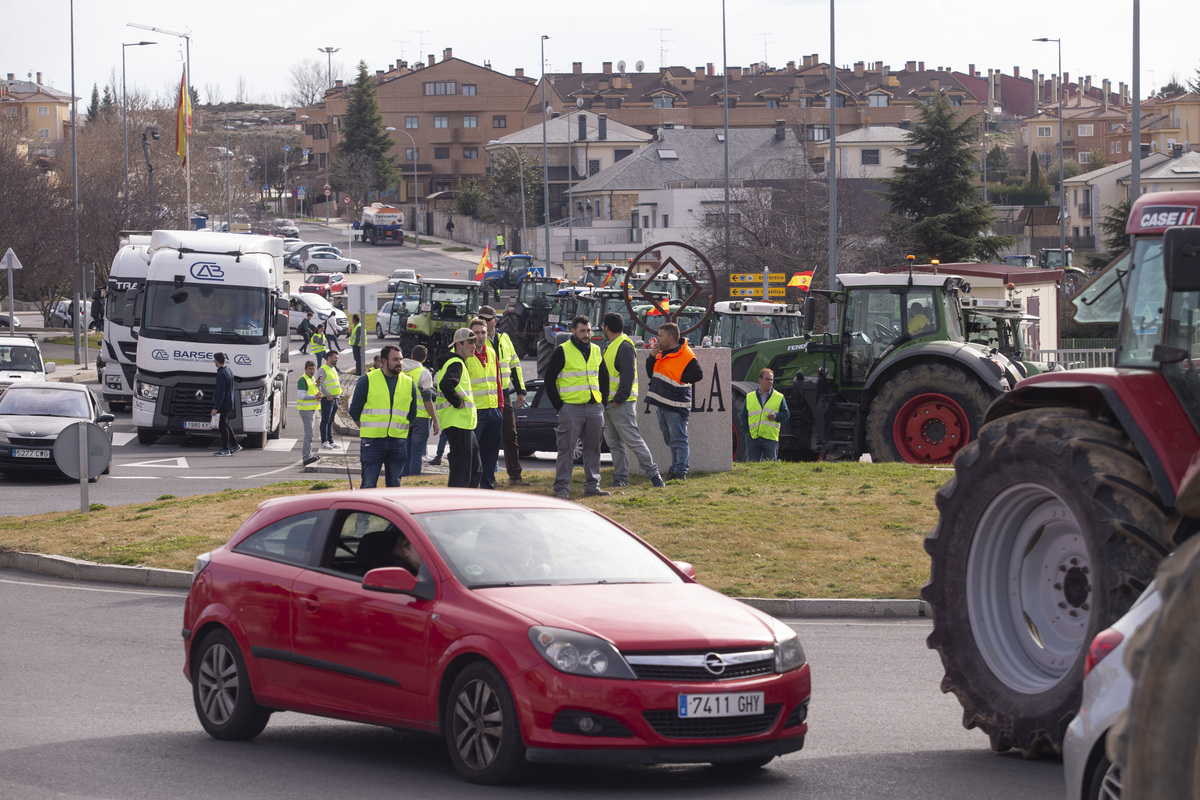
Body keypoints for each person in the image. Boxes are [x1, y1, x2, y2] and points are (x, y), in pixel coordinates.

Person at [543, 315, 608, 499]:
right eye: (582, 331)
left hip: (594, 406)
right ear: (573, 331)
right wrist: (559, 406)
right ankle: (562, 488)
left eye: (588, 330)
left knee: (593, 448)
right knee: (566, 449)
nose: (586, 334)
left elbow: (603, 376)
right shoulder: (562, 350)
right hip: (570, 408)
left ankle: (592, 486)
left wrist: (603, 402)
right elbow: (549, 379)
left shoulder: (596, 350)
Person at [599, 312, 665, 488]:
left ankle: (653, 475)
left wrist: (618, 399)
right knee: (615, 444)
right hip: (611, 403)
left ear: (606, 327)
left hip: (620, 403)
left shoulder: (623, 346)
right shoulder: (614, 345)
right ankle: (621, 478)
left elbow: (627, 376)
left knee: (632, 441)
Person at [349, 344, 418, 488]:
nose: (399, 363)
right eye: (395, 360)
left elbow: (412, 413)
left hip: (398, 441)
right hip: (373, 442)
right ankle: (365, 511)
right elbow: (355, 410)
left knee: (394, 486)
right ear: (384, 361)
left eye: (400, 359)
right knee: (368, 484)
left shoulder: (408, 382)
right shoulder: (367, 380)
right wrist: (368, 429)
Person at [478, 304, 530, 487]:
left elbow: (515, 365)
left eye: (485, 319)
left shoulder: (504, 338)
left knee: (510, 436)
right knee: (486, 439)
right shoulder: (475, 340)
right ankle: (485, 476)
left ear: (494, 321)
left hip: (504, 395)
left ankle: (515, 476)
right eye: (480, 318)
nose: (482, 322)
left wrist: (521, 391)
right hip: (482, 397)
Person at [645, 321, 703, 481]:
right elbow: (651, 374)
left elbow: (698, 374)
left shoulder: (686, 354)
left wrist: (677, 379)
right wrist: (651, 356)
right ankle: (675, 469)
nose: (657, 339)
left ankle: (680, 471)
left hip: (676, 405)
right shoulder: (661, 352)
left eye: (660, 336)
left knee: (679, 439)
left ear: (670, 338)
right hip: (662, 403)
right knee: (670, 440)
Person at [436, 327, 481, 488]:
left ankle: (468, 501)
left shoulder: (456, 363)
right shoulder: (456, 363)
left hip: (462, 424)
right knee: (462, 472)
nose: (474, 346)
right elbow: (446, 384)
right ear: (458, 345)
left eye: (474, 342)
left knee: (475, 469)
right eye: (470, 343)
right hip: (457, 422)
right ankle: (456, 505)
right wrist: (457, 402)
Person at [466, 317, 502, 489]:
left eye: (483, 332)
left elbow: (498, 381)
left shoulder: (492, 352)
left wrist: (500, 407)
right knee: (473, 455)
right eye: (476, 333)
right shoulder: (466, 355)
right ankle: (472, 488)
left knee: (491, 455)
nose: (480, 337)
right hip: (475, 413)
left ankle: (488, 487)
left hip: (493, 410)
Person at [400, 344, 440, 477]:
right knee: (416, 453)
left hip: (403, 417)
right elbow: (427, 400)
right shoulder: (424, 373)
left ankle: (403, 479)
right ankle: (413, 481)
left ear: (411, 356)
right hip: (421, 418)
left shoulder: (400, 371)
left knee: (405, 452)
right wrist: (434, 420)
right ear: (424, 359)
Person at [741, 368, 790, 462]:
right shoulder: (750, 396)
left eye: (771, 379)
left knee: (770, 468)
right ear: (760, 380)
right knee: (752, 468)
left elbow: (786, 414)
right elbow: (744, 416)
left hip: (770, 438)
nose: (770, 382)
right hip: (753, 438)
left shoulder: (779, 397)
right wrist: (747, 432)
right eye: (767, 379)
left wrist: (776, 416)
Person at [211, 352, 240, 457]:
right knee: (226, 424)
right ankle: (235, 444)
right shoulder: (229, 371)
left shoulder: (221, 374)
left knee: (222, 426)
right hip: (228, 402)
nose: (214, 362)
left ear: (217, 361)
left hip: (223, 404)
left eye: (214, 360)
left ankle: (225, 449)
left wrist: (216, 408)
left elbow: (221, 392)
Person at [296, 360, 321, 466]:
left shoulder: (311, 379)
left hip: (310, 409)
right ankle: (306, 457)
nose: (312, 371)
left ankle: (308, 456)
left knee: (310, 434)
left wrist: (317, 386)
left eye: (313, 369)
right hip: (306, 410)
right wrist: (315, 397)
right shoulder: (303, 380)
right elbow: (301, 396)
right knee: (309, 435)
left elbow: (313, 391)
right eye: (310, 369)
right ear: (305, 369)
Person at [318, 349, 342, 450]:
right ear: (329, 358)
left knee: (331, 420)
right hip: (327, 399)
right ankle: (324, 441)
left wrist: (338, 394)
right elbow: (320, 383)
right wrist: (328, 395)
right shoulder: (323, 369)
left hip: (335, 398)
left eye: (337, 358)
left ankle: (330, 440)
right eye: (335, 358)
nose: (337, 359)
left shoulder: (333, 369)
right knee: (325, 420)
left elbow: (335, 383)